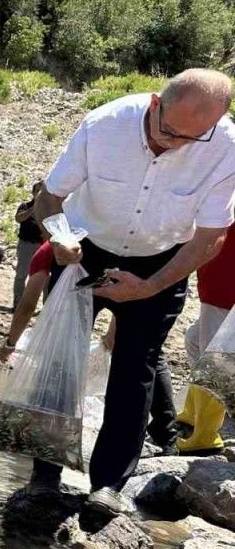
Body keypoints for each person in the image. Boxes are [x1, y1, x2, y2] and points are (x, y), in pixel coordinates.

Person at [31, 68, 235, 515]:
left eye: (193, 138)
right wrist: (59, 238)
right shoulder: (105, 124)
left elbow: (209, 238)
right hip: (83, 248)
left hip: (162, 259)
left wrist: (151, 286)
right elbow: (49, 197)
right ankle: (44, 474)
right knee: (61, 363)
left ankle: (108, 485)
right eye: (169, 131)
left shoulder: (225, 146)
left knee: (135, 371)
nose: (175, 144)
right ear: (155, 103)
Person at [0, 241, 179, 456]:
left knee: (61, 363)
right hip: (131, 273)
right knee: (147, 357)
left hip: (125, 280)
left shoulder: (47, 252)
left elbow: (28, 304)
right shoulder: (65, 246)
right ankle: (167, 435)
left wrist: (10, 343)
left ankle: (42, 438)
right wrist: (114, 329)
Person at [176, 223, 235, 454]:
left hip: (225, 286)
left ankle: (205, 436)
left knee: (213, 359)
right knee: (195, 340)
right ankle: (192, 413)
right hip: (218, 281)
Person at [13, 182, 45, 310]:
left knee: (41, 277)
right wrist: (33, 209)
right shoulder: (25, 206)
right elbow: (18, 218)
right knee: (21, 274)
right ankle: (18, 303)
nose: (39, 194)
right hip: (26, 245)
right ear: (33, 192)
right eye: (37, 191)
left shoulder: (47, 210)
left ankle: (40, 306)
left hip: (41, 246)